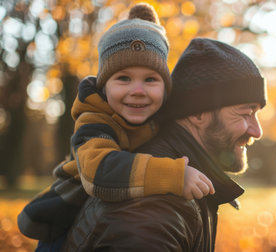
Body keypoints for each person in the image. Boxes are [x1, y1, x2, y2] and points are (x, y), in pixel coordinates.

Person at [17, 4, 214, 250]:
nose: (138, 91)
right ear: (104, 86)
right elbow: (99, 170)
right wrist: (174, 175)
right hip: (66, 220)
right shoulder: (94, 119)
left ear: (166, 88)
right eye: (123, 78)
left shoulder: (161, 116)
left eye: (151, 79)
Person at [62, 37, 267, 251]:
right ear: (198, 112)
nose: (257, 131)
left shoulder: (184, 186)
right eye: (246, 113)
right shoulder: (155, 211)